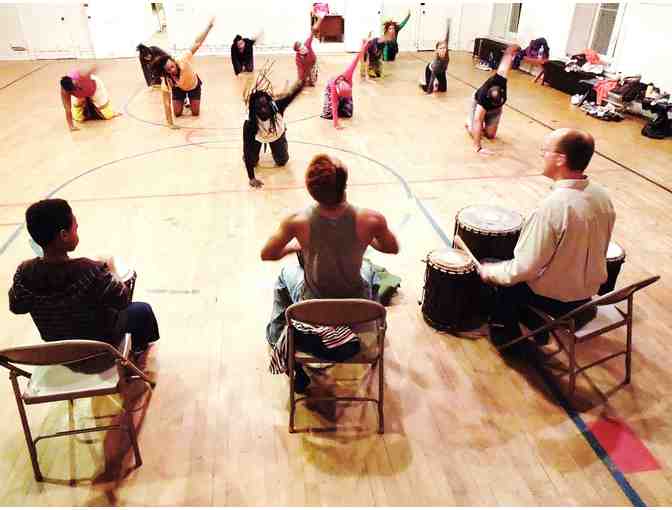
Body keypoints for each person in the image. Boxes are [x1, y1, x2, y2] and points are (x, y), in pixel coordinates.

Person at [261, 154, 399, 391]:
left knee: (285, 275)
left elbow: (268, 254)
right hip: (357, 308)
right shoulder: (371, 218)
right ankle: (358, 331)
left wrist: (296, 246)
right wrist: (367, 240)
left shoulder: (297, 221)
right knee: (368, 268)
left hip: (312, 307)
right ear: (344, 185)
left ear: (311, 190)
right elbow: (391, 248)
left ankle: (279, 342)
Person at [479, 129, 615, 350]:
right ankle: (537, 324)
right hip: (587, 292)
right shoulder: (602, 195)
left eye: (545, 150)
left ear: (561, 159)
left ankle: (509, 340)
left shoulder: (552, 209)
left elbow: (523, 270)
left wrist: (490, 271)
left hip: (557, 299)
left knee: (499, 273)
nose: (542, 155)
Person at [8, 199, 160, 355]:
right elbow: (122, 301)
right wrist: (111, 269)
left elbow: (16, 307)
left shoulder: (24, 272)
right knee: (142, 310)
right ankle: (137, 352)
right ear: (64, 235)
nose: (77, 231)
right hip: (100, 348)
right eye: (75, 228)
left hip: (60, 349)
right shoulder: (90, 270)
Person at [243, 76, 304, 188]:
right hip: (258, 137)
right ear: (254, 110)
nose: (263, 110)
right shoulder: (250, 124)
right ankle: (255, 154)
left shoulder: (277, 106)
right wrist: (251, 178)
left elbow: (291, 95)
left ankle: (278, 147)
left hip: (277, 134)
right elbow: (247, 149)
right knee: (252, 161)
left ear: (269, 104)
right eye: (259, 108)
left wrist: (302, 83)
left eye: (265, 106)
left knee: (282, 161)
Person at [152, 17, 215, 127]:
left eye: (172, 66)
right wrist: (170, 124)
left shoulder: (183, 60)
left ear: (174, 61)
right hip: (179, 88)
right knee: (177, 113)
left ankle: (189, 101)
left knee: (195, 113)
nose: (172, 70)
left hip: (193, 85)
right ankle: (184, 100)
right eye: (168, 70)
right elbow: (166, 103)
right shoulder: (167, 80)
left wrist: (208, 27)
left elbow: (197, 43)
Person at [465, 44, 519, 155]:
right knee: (474, 131)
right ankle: (468, 123)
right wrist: (478, 147)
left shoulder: (500, 79)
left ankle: (484, 126)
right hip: (478, 105)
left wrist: (512, 50)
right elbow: (478, 120)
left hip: (495, 111)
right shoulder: (483, 99)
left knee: (490, 135)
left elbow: (505, 62)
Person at [321, 39, 368, 129]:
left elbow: (356, 59)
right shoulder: (333, 90)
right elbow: (334, 106)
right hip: (331, 87)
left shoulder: (348, 73)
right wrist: (336, 124)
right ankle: (330, 110)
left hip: (344, 91)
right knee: (329, 113)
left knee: (347, 113)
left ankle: (343, 105)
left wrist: (364, 45)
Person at [60, 65, 121, 131]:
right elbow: (67, 109)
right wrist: (71, 126)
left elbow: (93, 68)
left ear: (73, 80)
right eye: (73, 89)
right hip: (80, 96)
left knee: (108, 115)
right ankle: (86, 105)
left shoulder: (80, 74)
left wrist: (102, 66)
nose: (76, 88)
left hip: (95, 89)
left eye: (75, 85)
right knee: (78, 118)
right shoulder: (65, 92)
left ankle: (112, 112)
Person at [293, 13, 325, 86]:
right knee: (303, 77)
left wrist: (320, 19)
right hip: (305, 65)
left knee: (312, 81)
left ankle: (311, 79)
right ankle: (306, 78)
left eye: (303, 47)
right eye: (302, 49)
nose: (305, 49)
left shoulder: (307, 44)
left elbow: (313, 31)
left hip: (313, 61)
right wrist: (300, 79)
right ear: (299, 52)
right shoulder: (298, 58)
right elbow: (300, 69)